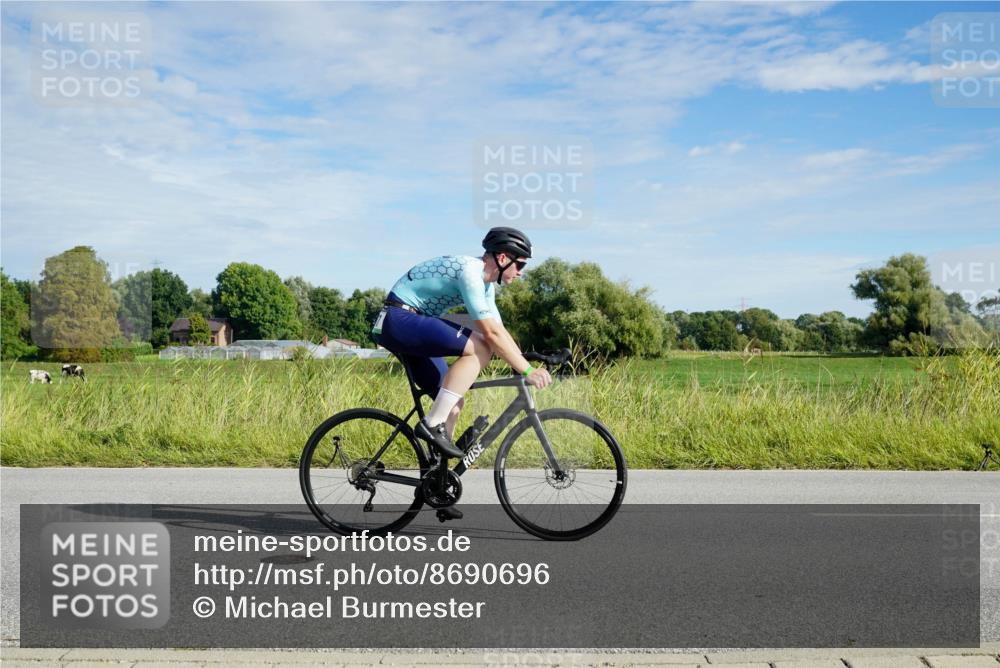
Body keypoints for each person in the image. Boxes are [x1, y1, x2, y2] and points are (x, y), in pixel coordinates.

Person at [372, 226, 553, 469]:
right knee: (480, 347)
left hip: (410, 322)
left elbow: (499, 331)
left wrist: (523, 361)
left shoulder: (486, 286)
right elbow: (490, 335)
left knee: (453, 405)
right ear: (502, 258)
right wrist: (527, 371)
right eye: (520, 264)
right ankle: (431, 425)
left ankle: (438, 477)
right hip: (400, 318)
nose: (521, 272)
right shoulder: (471, 273)